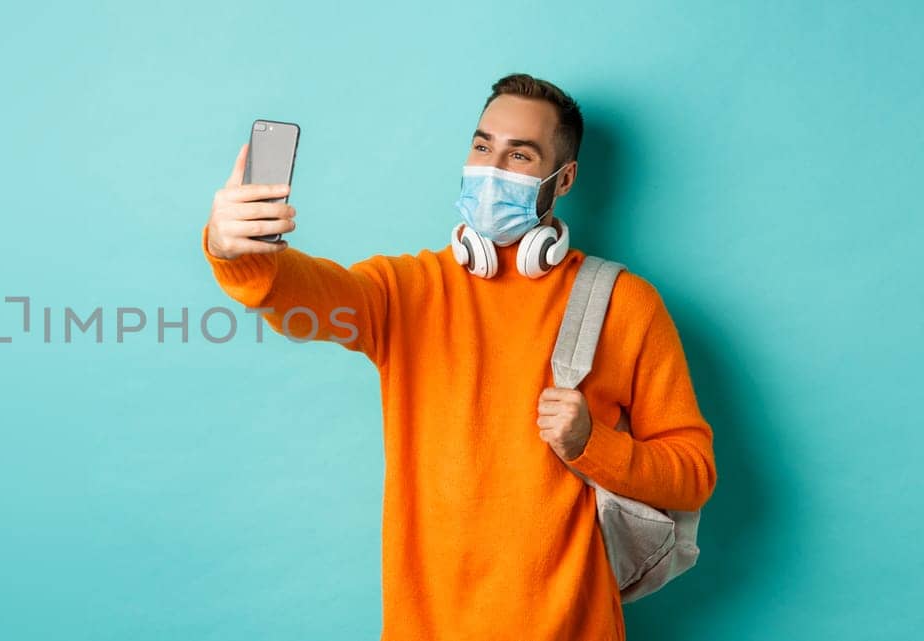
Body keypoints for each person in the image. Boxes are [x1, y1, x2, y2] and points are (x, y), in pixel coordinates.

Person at [200, 73, 717, 640]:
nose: (491, 168)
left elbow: (693, 473)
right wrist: (235, 251)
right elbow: (300, 293)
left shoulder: (623, 303)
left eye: (519, 154)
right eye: (481, 146)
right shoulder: (406, 291)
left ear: (562, 179)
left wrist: (591, 444)